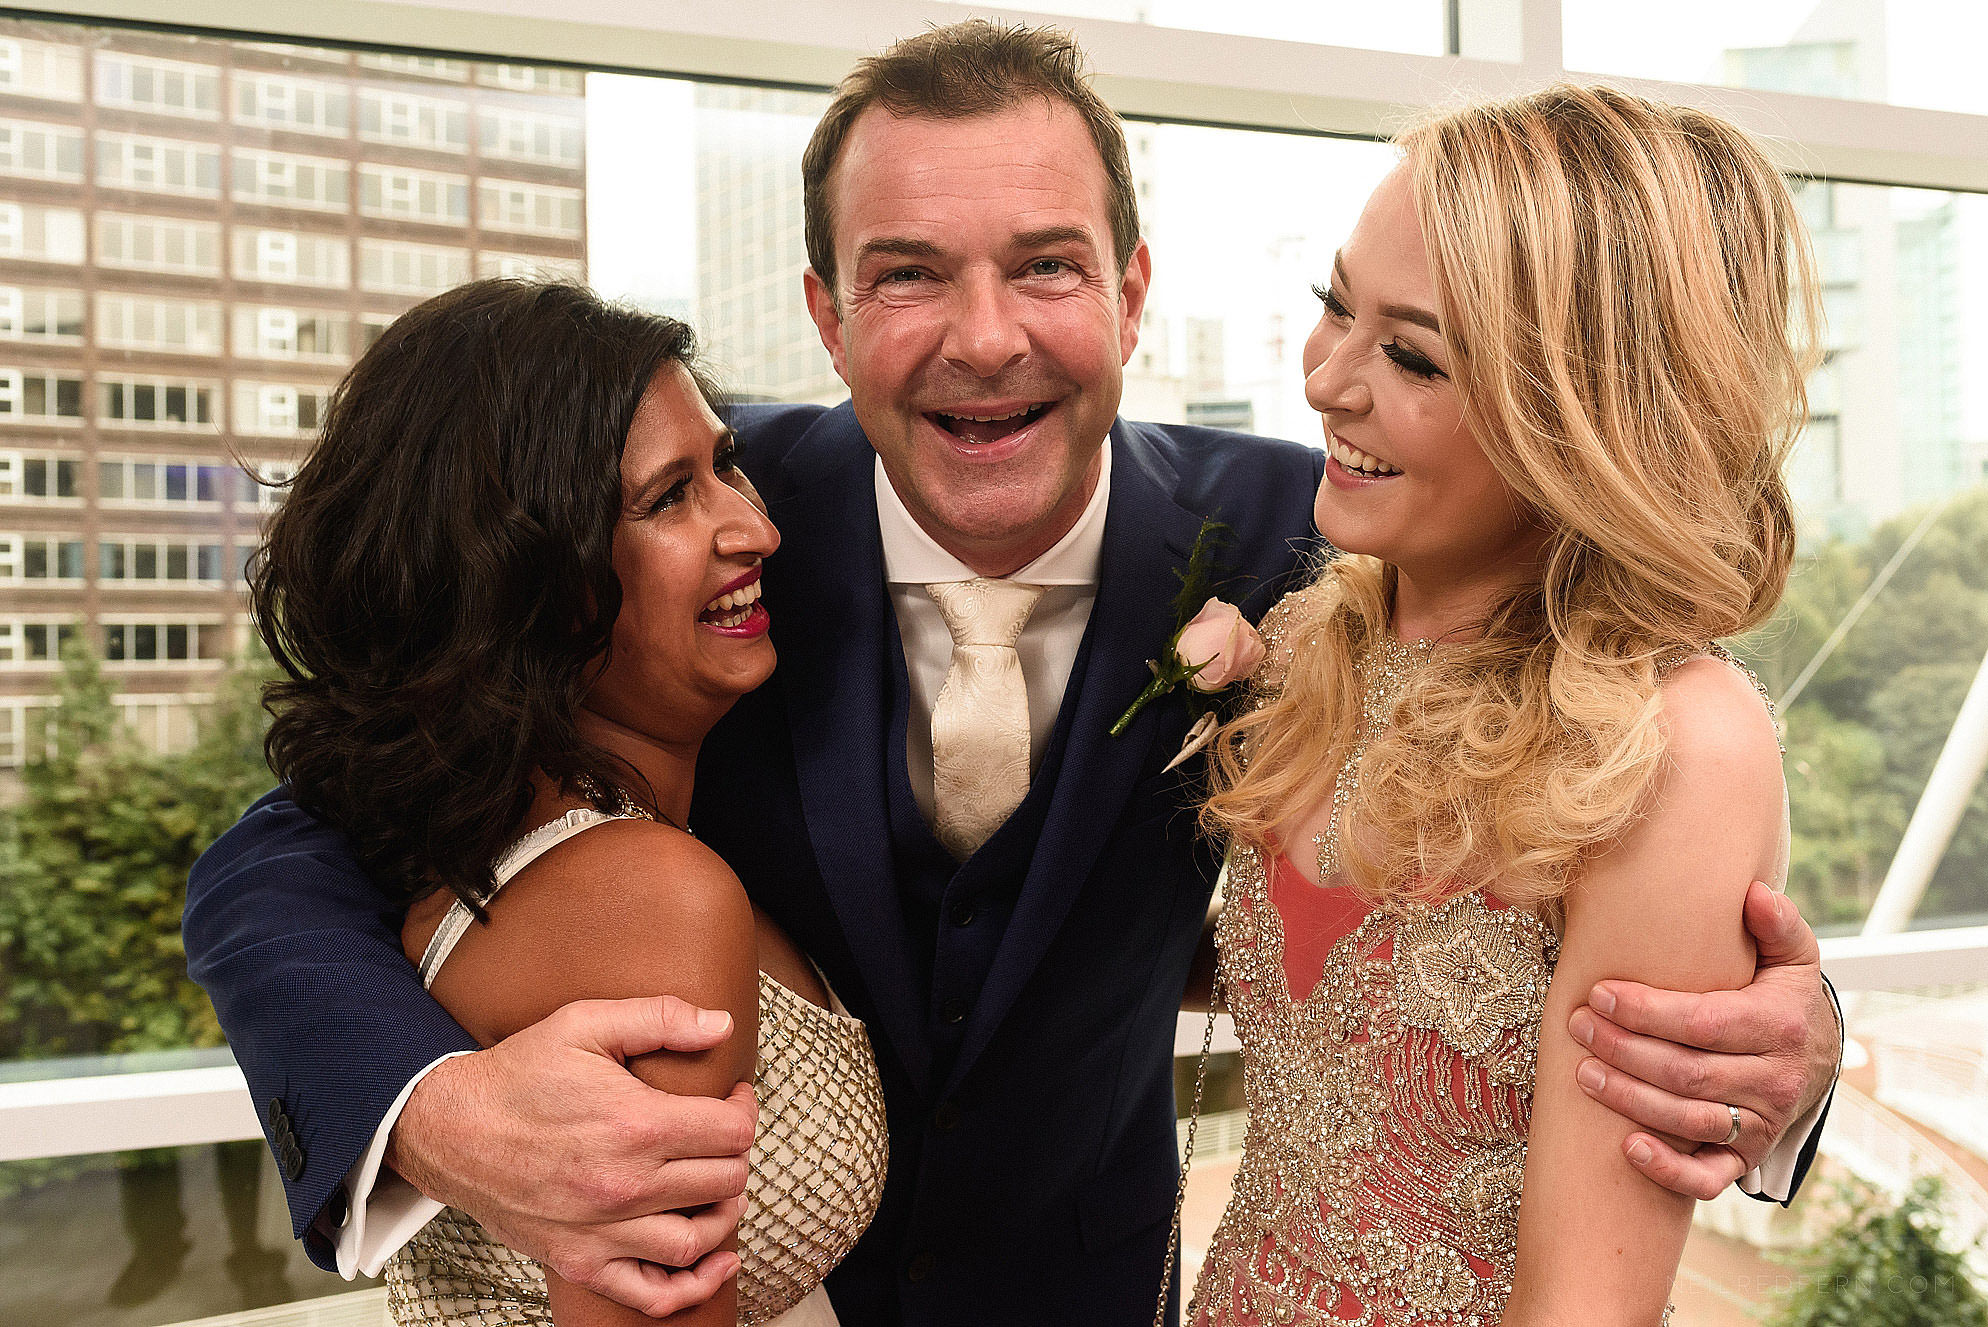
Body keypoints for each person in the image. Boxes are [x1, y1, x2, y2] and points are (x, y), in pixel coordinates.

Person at [185, 23, 1844, 1326]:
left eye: (1045, 263)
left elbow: (1560, 828)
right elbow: (291, 849)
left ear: (1127, 293)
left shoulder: (1323, 546)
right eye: (909, 273)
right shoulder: (691, 531)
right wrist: (434, 1109)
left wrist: (1759, 1049)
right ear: (828, 317)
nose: (985, 336)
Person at [1190, 85, 1820, 1325]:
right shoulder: (1317, 637)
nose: (1324, 380)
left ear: (1579, 417)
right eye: (1332, 305)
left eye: (1411, 354)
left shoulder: (1674, 744)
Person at [243, 278, 886, 1326]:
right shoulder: (643, 900)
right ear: (531, 580)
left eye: (726, 465)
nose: (753, 529)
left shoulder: (561, 847)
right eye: (668, 496)